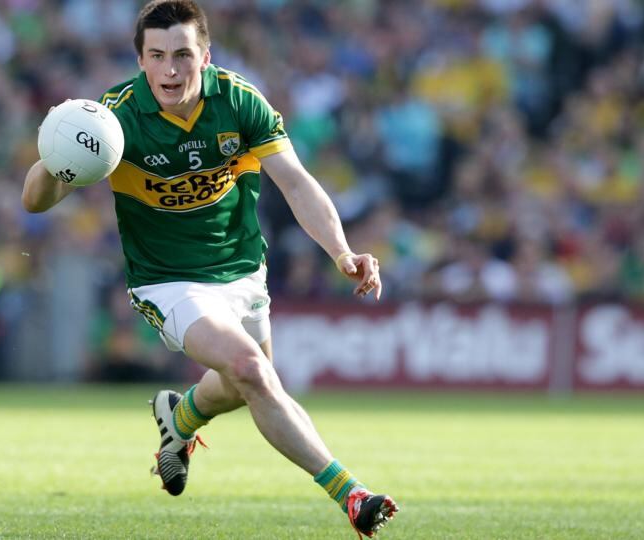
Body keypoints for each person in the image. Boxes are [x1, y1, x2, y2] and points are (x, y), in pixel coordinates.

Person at [22, 1, 397, 536]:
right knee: (251, 370)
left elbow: (295, 181)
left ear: (206, 55)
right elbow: (35, 202)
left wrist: (341, 251)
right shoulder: (114, 119)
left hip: (242, 268)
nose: (170, 70)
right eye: (157, 56)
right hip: (167, 279)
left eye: (182, 55)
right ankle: (351, 494)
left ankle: (180, 419)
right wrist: (55, 157)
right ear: (141, 60)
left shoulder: (240, 101)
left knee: (240, 383)